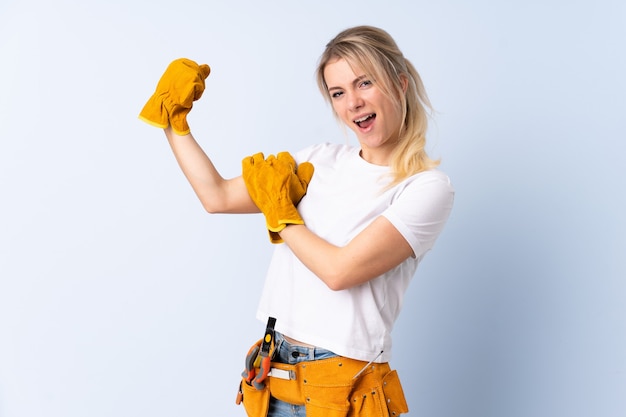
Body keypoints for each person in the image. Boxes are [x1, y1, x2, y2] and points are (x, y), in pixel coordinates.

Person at [139, 25, 454, 417]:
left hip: (342, 385)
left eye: (364, 83)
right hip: (273, 373)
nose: (353, 102)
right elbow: (216, 196)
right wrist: (174, 120)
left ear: (400, 82)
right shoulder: (318, 161)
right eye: (338, 93)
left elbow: (339, 271)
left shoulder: (425, 188)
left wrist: (280, 215)